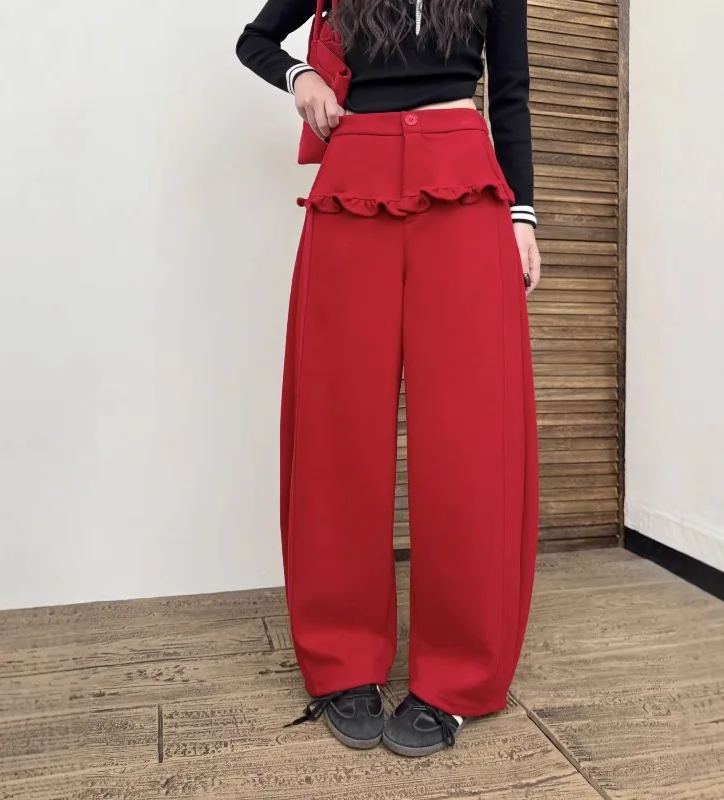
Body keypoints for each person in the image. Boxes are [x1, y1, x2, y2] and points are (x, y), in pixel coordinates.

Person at [236, 0, 540, 757]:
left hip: (465, 182)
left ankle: (457, 678)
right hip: (354, 182)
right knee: (339, 429)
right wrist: (300, 76)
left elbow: (510, 91)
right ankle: (343, 661)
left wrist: (523, 217)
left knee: (468, 440)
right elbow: (255, 40)